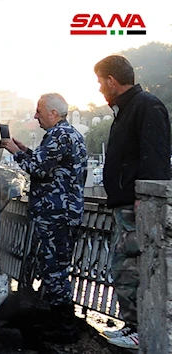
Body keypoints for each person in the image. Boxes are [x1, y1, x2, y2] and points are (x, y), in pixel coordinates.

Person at [94, 55, 171, 350]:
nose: (100, 88)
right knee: (122, 268)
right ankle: (132, 325)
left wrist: (145, 201)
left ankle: (140, 328)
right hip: (125, 205)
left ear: (112, 81)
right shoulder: (127, 110)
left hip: (136, 206)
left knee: (133, 269)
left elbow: (155, 158)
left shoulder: (146, 106)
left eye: (101, 81)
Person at [0, 93, 87, 344]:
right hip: (63, 215)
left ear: (53, 113)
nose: (36, 116)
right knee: (55, 269)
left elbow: (38, 169)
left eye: (39, 111)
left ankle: (65, 327)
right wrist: (26, 150)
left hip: (56, 216)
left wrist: (15, 152)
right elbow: (46, 164)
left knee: (55, 271)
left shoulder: (59, 136)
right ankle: (59, 321)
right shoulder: (68, 135)